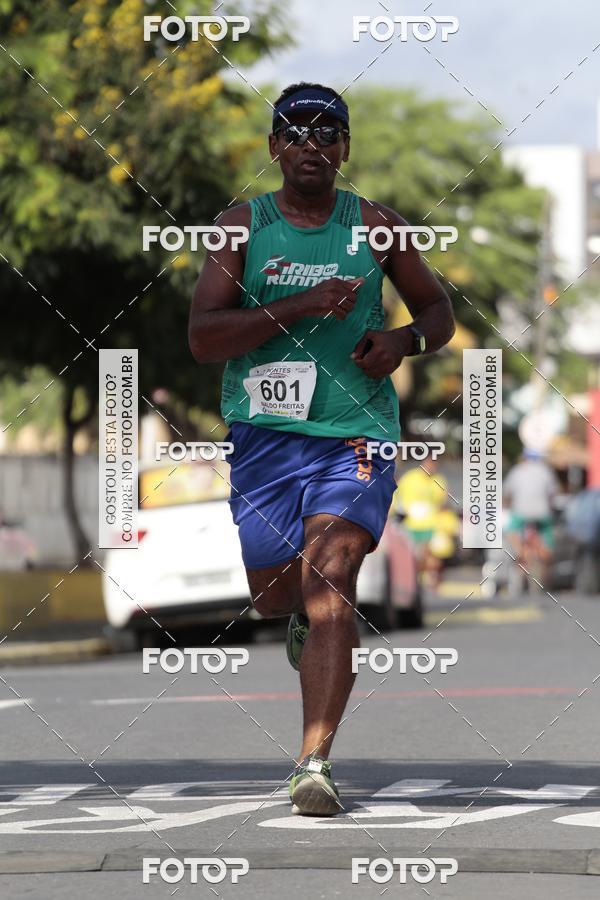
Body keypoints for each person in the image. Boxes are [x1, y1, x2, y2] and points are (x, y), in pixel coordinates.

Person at [188, 82, 455, 816]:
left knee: (332, 573)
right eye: (297, 133)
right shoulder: (239, 229)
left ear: (345, 148)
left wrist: (403, 340)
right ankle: (298, 616)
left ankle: (314, 761)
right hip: (266, 438)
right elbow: (204, 338)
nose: (313, 145)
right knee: (277, 593)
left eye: (328, 133)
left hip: (357, 433)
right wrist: (299, 305)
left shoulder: (377, 227)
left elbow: (439, 312)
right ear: (274, 147)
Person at [503, 447, 560, 580]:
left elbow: (506, 493)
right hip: (542, 513)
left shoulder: (517, 471)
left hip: (520, 513)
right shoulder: (546, 472)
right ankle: (546, 555)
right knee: (547, 533)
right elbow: (553, 494)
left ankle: (519, 552)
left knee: (510, 530)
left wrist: (508, 505)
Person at [392, 457, 449, 588]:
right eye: (430, 463)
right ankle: (413, 580)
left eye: (435, 464)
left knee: (431, 555)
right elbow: (397, 495)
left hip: (431, 525)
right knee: (413, 557)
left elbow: (442, 502)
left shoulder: (439, 480)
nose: (432, 467)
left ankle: (431, 582)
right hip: (411, 525)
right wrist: (400, 512)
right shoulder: (410, 478)